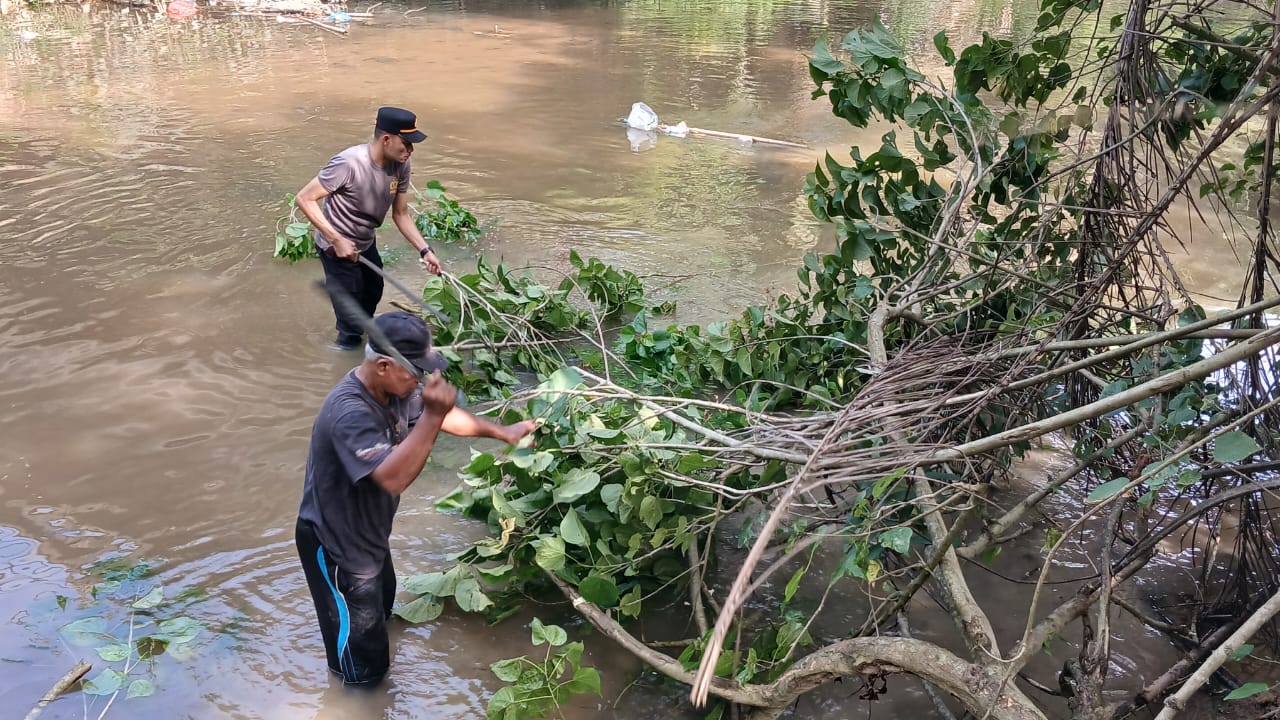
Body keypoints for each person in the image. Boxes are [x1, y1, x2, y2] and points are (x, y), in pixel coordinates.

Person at [294, 311, 536, 687]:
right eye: (416, 371)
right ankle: (353, 699)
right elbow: (393, 478)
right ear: (384, 366)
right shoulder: (350, 412)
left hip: (369, 534)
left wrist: (504, 432)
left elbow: (442, 416)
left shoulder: (395, 389)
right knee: (363, 668)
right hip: (336, 543)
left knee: (383, 608)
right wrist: (433, 416)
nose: (421, 380)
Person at [296, 106, 445, 350]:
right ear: (386, 139)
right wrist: (336, 239)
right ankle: (347, 352)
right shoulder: (349, 163)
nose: (410, 150)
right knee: (351, 321)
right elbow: (305, 198)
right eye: (406, 144)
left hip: (365, 241)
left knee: (374, 291)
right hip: (336, 247)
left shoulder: (401, 165)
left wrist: (425, 251)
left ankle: (362, 340)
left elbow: (401, 214)